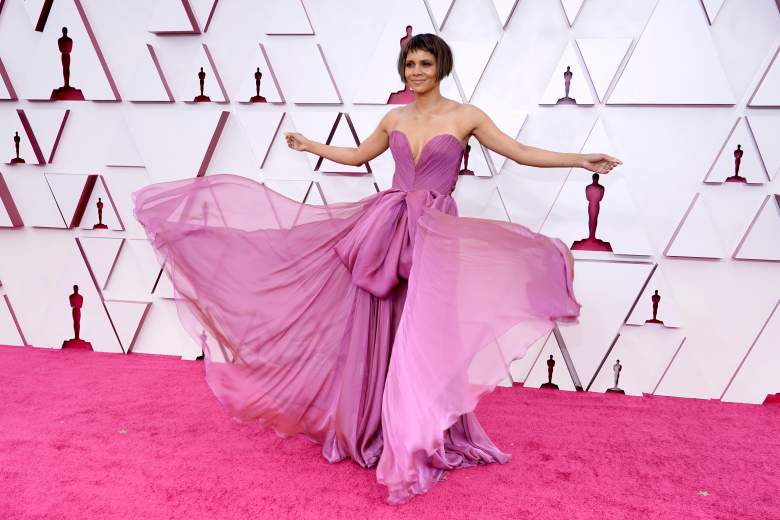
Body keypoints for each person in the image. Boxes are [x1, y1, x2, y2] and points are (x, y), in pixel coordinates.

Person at [132, 33, 620, 505]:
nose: (416, 71)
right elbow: (358, 155)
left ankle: (421, 429)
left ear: (441, 67)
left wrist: (580, 160)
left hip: (434, 232)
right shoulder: (394, 117)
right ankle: (377, 425)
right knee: (379, 320)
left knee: (426, 330)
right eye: (410, 64)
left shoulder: (466, 115)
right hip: (387, 227)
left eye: (425, 63)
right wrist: (312, 146)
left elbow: (520, 152)